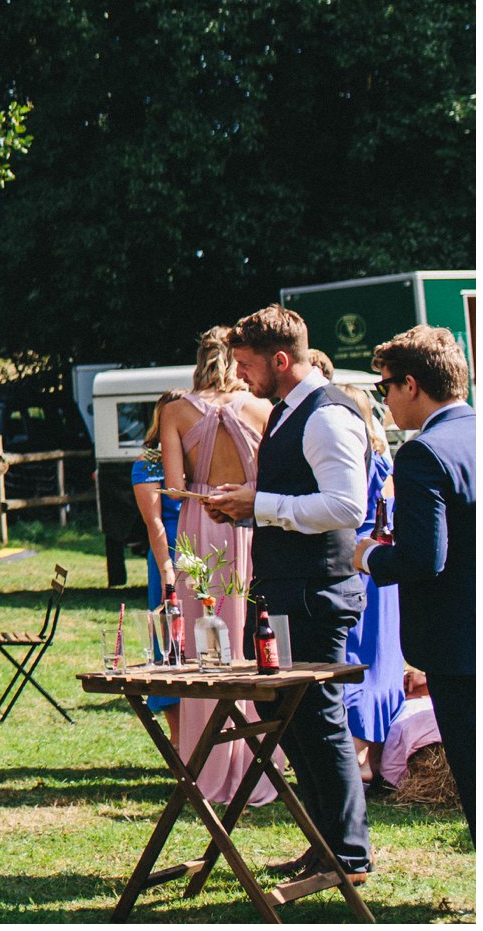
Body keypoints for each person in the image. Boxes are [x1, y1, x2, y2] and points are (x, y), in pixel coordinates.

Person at [206, 306, 372, 884]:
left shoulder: (327, 416)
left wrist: (263, 505)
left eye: (248, 365)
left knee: (317, 718)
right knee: (284, 713)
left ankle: (348, 855)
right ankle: (326, 841)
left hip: (317, 590)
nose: (242, 377)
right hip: (285, 585)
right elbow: (302, 492)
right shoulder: (288, 410)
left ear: (281, 360)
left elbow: (350, 507)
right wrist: (247, 499)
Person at [358, 325, 474, 836]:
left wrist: (366, 558)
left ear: (410, 385)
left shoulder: (422, 453)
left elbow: (425, 560)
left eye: (384, 387)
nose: (384, 400)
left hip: (457, 645)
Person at [161, 328, 275, 806]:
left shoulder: (175, 410)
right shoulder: (263, 409)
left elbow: (172, 485)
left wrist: (206, 491)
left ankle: (205, 768)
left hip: (202, 526)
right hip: (253, 524)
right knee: (253, 639)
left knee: (204, 646)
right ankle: (257, 768)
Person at [338, 384, 403, 783]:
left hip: (357, 562)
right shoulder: (383, 459)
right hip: (385, 570)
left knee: (356, 659)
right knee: (382, 660)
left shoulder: (350, 461)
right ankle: (375, 758)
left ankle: (358, 757)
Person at [131, 390, 187, 741]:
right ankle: (181, 742)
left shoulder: (198, 457)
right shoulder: (149, 463)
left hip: (204, 553)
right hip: (167, 554)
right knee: (169, 642)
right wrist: (167, 566)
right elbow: (154, 523)